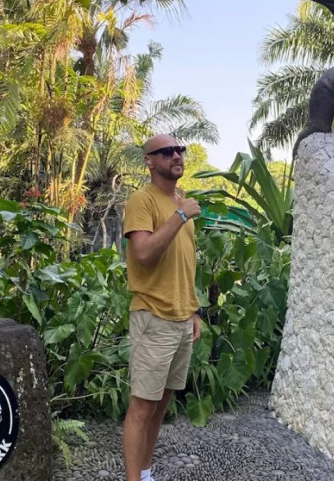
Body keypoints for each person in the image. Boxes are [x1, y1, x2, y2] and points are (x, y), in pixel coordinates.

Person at [121, 134, 202, 481]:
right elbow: (144, 254)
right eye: (166, 151)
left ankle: (146, 473)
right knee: (142, 407)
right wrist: (180, 215)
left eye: (179, 149)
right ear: (149, 161)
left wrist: (195, 310)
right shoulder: (143, 201)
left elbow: (185, 263)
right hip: (153, 317)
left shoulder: (181, 203)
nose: (176, 155)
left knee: (162, 403)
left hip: (181, 319)